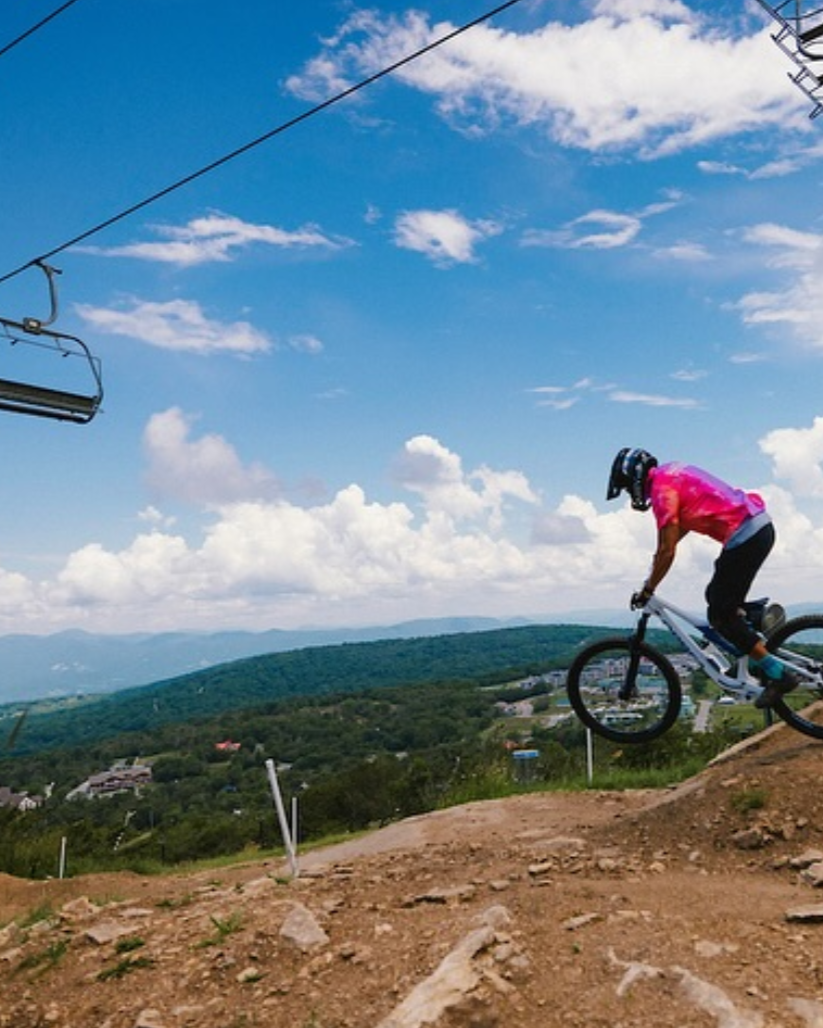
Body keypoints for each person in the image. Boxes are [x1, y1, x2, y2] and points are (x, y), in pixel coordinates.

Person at [606, 447, 797, 709]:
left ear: (636, 477)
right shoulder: (670, 473)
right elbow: (676, 533)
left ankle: (778, 674)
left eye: (628, 488)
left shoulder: (662, 492)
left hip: (746, 535)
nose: (631, 493)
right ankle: (752, 640)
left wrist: (649, 588)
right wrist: (658, 559)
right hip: (756, 527)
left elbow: (668, 550)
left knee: (720, 614)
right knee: (717, 599)